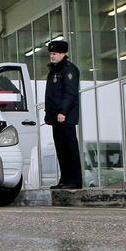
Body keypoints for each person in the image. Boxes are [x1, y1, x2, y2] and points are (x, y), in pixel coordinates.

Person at [43, 40, 83, 189]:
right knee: (61, 149)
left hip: (65, 117)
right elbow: (51, 96)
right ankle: (65, 179)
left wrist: (62, 112)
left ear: (63, 54)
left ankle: (74, 180)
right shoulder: (55, 71)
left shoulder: (69, 70)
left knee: (69, 148)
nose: (51, 56)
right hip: (56, 117)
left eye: (54, 54)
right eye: (51, 54)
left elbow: (70, 94)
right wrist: (49, 114)